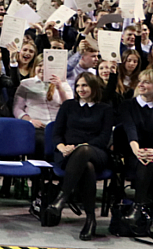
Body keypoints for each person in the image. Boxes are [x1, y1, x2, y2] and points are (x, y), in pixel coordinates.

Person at [46, 72, 113, 241]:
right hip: (67, 155)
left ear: (94, 87)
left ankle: (62, 197)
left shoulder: (105, 109)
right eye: (78, 86)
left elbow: (103, 138)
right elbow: (56, 134)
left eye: (85, 85)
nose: (80, 89)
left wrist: (78, 147)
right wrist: (62, 148)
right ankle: (90, 220)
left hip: (96, 152)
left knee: (84, 152)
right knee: (87, 168)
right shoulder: (68, 105)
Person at [122, 69, 153, 227]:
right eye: (140, 81)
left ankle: (140, 207)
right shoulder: (129, 105)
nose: (141, 85)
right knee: (145, 162)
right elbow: (130, 129)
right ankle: (139, 207)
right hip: (134, 152)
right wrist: (138, 151)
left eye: (147, 82)